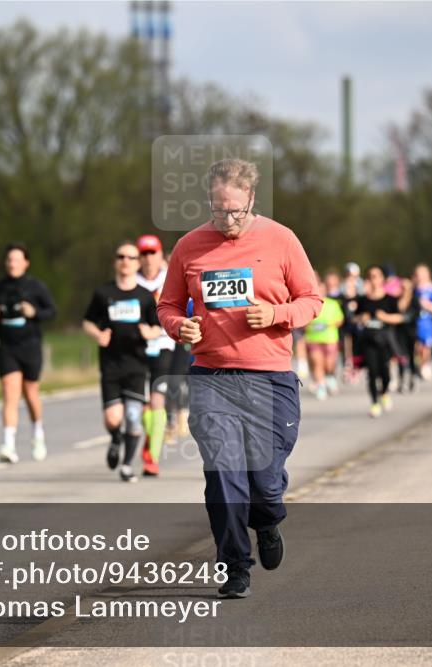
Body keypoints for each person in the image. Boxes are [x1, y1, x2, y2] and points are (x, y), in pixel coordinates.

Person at [158, 158, 321, 600]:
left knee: (264, 483)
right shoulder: (190, 246)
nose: (227, 220)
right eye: (218, 210)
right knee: (223, 474)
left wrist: (277, 314)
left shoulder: (281, 239)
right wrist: (179, 326)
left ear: (251, 198)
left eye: (235, 211)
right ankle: (234, 566)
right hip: (212, 378)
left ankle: (267, 521)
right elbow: (167, 305)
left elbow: (312, 299)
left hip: (270, 379)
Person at [83, 241, 162, 483]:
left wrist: (150, 333)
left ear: (137, 263)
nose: (125, 261)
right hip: (110, 365)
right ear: (115, 262)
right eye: (121, 257)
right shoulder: (103, 293)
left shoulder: (144, 296)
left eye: (130, 257)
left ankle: (127, 466)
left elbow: (158, 326)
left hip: (136, 365)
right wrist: (98, 335)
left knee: (134, 417)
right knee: (113, 419)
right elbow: (87, 322)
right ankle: (116, 438)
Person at [0, 242, 57, 464]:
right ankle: (8, 444)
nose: (13, 264)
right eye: (10, 260)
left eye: (17, 260)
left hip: (30, 345)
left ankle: (38, 433)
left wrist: (34, 312)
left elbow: (52, 311)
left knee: (30, 393)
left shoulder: (36, 287)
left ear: (26, 263)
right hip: (6, 346)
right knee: (10, 392)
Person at [134, 234, 174, 477]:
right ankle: (151, 438)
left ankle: (152, 457)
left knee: (157, 399)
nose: (148, 258)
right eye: (144, 253)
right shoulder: (131, 280)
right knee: (141, 404)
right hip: (136, 348)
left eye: (153, 253)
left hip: (165, 345)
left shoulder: (170, 278)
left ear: (160, 255)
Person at [356, 265, 404, 416]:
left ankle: (384, 393)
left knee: (385, 373)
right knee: (372, 372)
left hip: (385, 341)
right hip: (368, 341)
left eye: (376, 276)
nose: (373, 279)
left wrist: (386, 317)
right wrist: (361, 318)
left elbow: (400, 318)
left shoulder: (390, 299)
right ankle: (374, 403)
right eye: (371, 276)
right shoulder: (363, 300)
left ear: (382, 279)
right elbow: (353, 318)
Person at [304, 274, 345, 400]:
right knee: (317, 363)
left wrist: (328, 325)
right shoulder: (309, 304)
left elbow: (340, 320)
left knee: (328, 364)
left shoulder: (333, 304)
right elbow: (303, 320)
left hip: (330, 339)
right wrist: (309, 325)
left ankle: (329, 377)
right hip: (313, 339)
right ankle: (321, 386)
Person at [411, 264, 432, 380]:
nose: (420, 276)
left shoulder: (431, 289)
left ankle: (425, 365)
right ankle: (417, 363)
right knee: (417, 345)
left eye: (423, 274)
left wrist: (428, 306)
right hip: (414, 321)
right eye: (418, 274)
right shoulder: (413, 289)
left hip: (426, 321)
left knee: (426, 345)